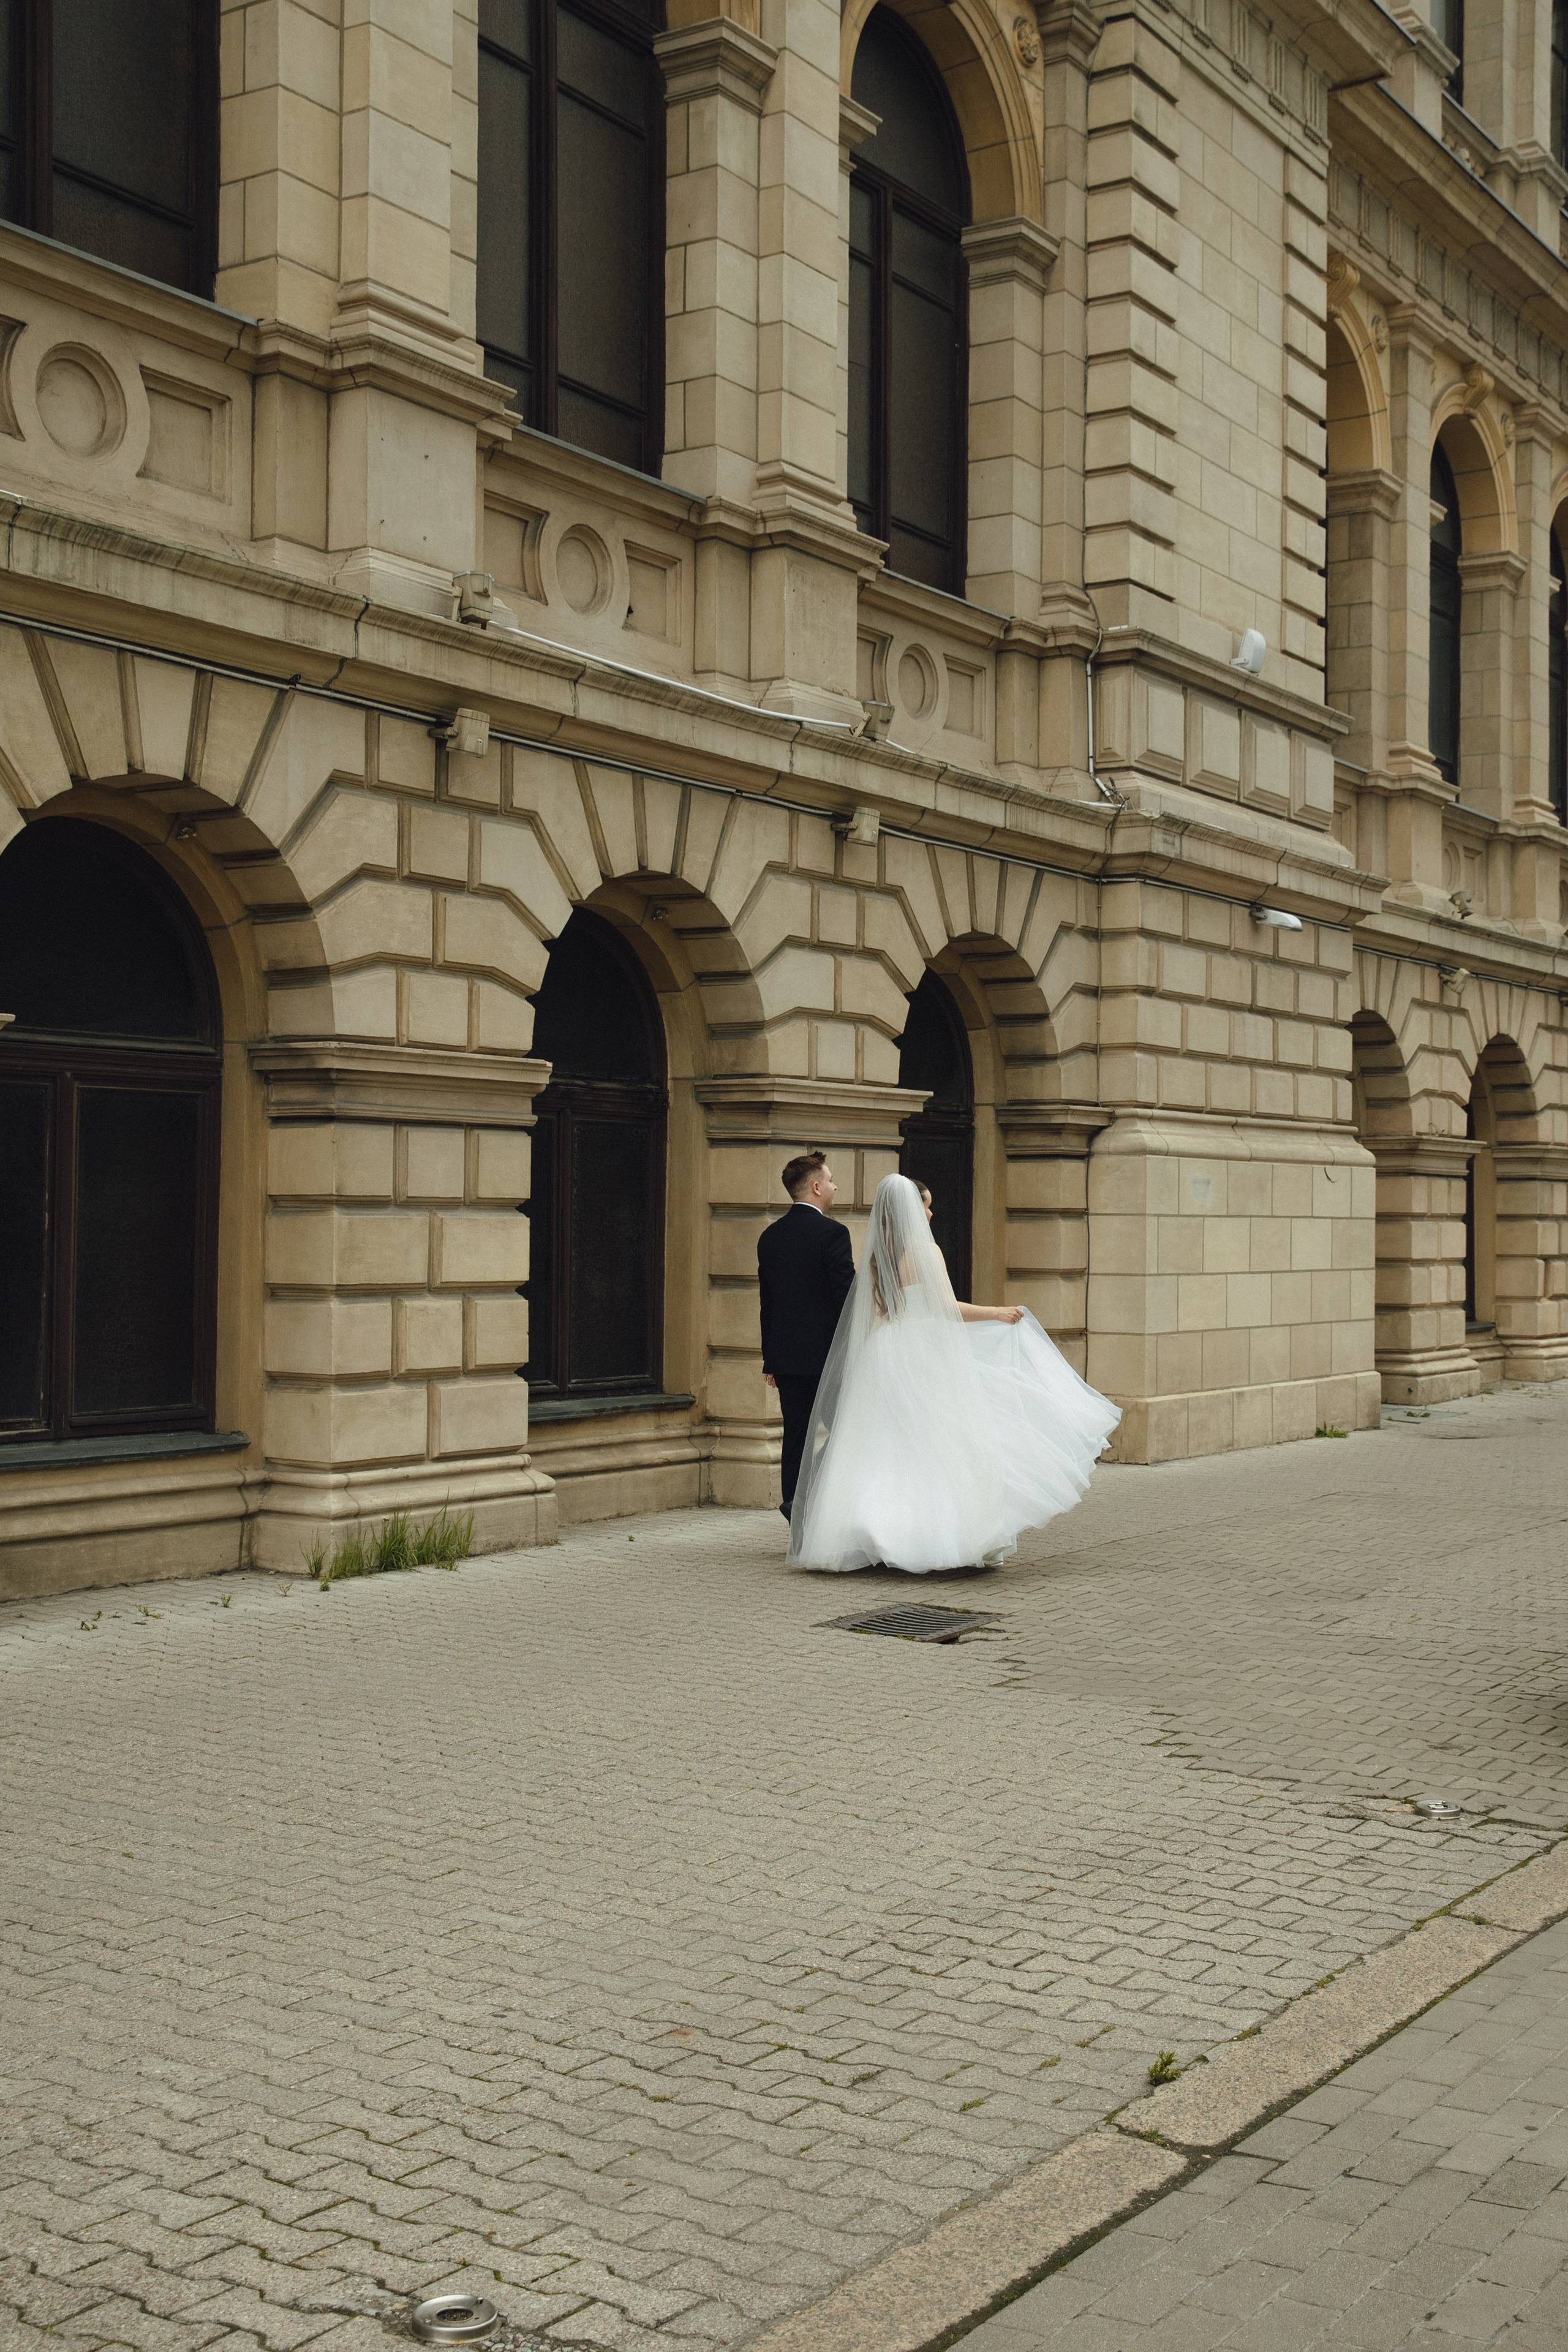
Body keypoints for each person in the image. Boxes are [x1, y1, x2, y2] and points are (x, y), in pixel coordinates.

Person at [788, 1169, 1120, 1574]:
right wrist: (997, 1313)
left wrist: (871, 1362)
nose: (930, 1215)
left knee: (884, 1444)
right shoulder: (928, 1253)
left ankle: (868, 1531)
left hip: (884, 1352)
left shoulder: (877, 1256)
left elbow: (874, 1316)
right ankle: (930, 1537)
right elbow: (945, 1308)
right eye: (926, 1207)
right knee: (935, 1444)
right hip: (921, 1350)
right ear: (913, 1209)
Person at [757, 1151, 856, 1523]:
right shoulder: (833, 1233)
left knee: (796, 1433)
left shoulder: (770, 1236)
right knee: (847, 1428)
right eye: (830, 1181)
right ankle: (823, 1496)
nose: (834, 1186)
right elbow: (846, 1296)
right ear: (816, 1187)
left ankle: (794, 1505)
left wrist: (771, 1359)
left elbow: (768, 1302)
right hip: (830, 1357)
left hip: (786, 1359)